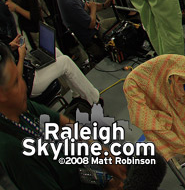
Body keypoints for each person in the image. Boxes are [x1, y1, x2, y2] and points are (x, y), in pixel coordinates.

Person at [0, 42, 127, 189]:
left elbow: (61, 121)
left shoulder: (17, 107)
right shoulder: (13, 153)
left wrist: (98, 150)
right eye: (15, 82)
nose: (23, 85)